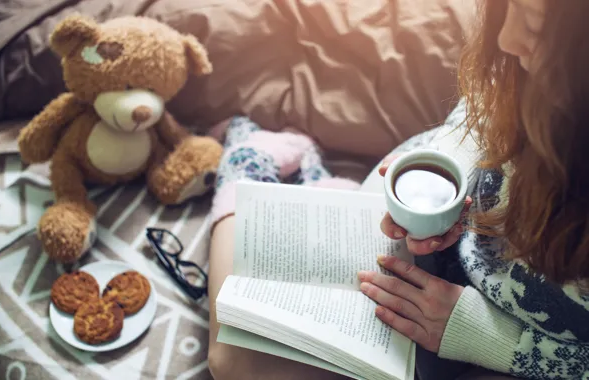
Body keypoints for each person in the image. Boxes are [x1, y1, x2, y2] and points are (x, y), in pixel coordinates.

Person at [206, 0, 589, 379]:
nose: (506, 38)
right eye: (510, 8)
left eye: (535, 28)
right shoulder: (521, 63)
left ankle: (312, 177)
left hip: (507, 337)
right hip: (436, 236)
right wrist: (441, 192)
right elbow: (478, 115)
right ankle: (249, 162)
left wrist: (481, 336)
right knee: (236, 362)